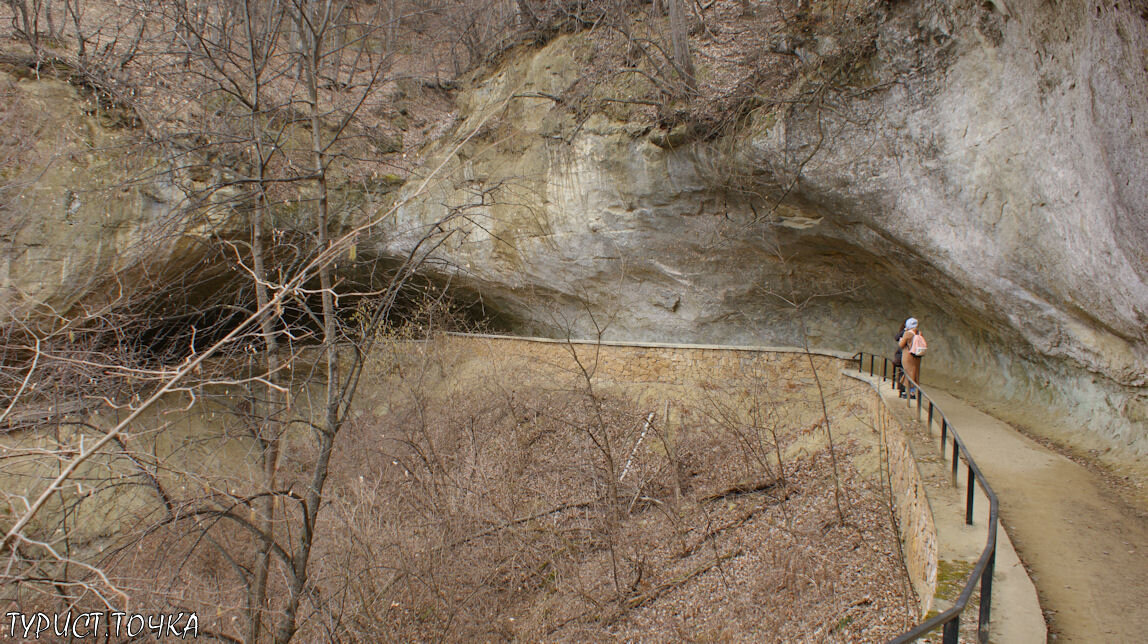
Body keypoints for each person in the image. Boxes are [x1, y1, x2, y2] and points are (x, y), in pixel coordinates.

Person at [899, 317, 924, 399]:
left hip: (908, 356)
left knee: (908, 374)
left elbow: (901, 345)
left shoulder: (907, 333)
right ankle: (912, 392)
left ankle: (908, 393)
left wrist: (901, 340)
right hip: (917, 357)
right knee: (914, 373)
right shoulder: (919, 332)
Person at [892, 319, 907, 395]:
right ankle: (903, 389)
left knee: (903, 373)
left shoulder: (907, 332)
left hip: (903, 355)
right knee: (903, 372)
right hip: (906, 355)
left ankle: (902, 389)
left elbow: (897, 338)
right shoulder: (914, 333)